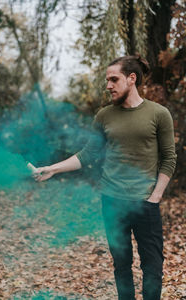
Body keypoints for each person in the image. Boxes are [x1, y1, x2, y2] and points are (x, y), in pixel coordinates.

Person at [34, 55, 177, 300]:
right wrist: (53, 169)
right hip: (112, 201)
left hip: (146, 203)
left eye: (114, 79)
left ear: (132, 79)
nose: (108, 85)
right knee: (121, 266)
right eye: (107, 80)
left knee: (152, 267)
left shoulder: (159, 114)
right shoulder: (104, 116)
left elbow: (169, 158)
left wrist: (155, 196)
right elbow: (88, 154)